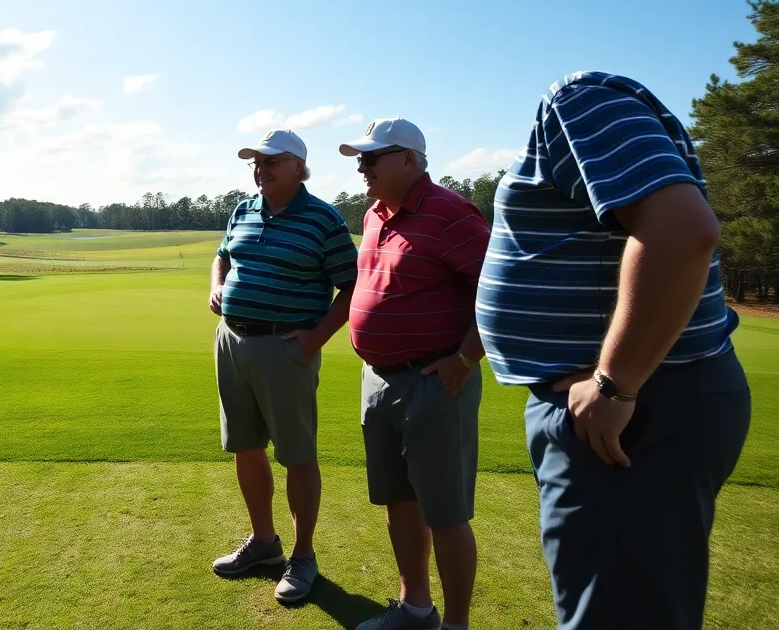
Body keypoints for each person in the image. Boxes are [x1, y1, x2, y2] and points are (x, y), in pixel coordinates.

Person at [476, 71, 751, 630]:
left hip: (629, 407)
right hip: (635, 401)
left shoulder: (575, 99)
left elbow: (681, 231)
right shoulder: (592, 107)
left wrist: (614, 383)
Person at [337, 119, 490, 630]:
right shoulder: (375, 213)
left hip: (434, 383)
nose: (362, 166)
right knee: (399, 503)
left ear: (408, 158)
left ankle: (456, 625)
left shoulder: (451, 213)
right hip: (378, 380)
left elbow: (497, 291)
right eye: (360, 158)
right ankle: (416, 610)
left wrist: (465, 360)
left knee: (445, 513)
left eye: (371, 157)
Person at [209, 128, 359, 605]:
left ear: (298, 166)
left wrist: (316, 339)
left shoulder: (322, 219)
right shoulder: (243, 208)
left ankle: (303, 556)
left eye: (271, 161)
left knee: (296, 454)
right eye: (256, 160)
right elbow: (222, 256)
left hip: (285, 347)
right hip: (232, 340)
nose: (261, 168)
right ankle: (265, 544)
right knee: (245, 447)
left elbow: (352, 286)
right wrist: (216, 285)